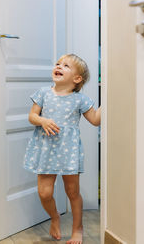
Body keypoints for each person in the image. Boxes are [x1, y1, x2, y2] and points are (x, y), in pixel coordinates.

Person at [23, 54, 101, 244]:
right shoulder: (43, 93)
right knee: (45, 193)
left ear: (77, 79)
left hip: (69, 152)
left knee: (72, 192)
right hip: (46, 149)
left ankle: (77, 228)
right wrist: (42, 119)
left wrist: (109, 95)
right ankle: (55, 217)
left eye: (66, 65)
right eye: (58, 63)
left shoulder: (80, 99)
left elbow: (96, 120)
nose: (58, 66)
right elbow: (32, 116)